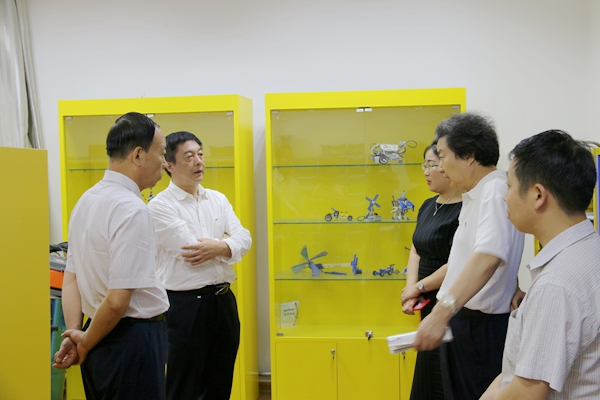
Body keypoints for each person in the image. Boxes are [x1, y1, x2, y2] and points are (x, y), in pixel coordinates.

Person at [52, 112, 170, 400]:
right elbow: (117, 301)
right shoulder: (132, 209)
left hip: (95, 334)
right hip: (131, 340)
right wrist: (82, 341)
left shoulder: (86, 200)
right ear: (138, 155)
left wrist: (76, 334)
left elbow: (71, 278)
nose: (165, 163)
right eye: (162, 153)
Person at [413, 112, 525, 400]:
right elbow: (477, 256)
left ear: (470, 155)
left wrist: (441, 313)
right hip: (465, 323)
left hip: (478, 329)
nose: (440, 167)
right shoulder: (477, 194)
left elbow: (488, 257)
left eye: (442, 156)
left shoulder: (494, 191)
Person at [481, 130, 600, 400]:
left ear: (537, 195)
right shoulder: (589, 252)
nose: (505, 197)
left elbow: (527, 392)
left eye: (510, 186)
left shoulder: (557, 285)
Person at [147, 131, 252, 400]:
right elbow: (190, 250)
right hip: (185, 307)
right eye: (189, 156)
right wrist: (227, 244)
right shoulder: (159, 206)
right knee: (184, 385)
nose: (199, 162)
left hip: (223, 301)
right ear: (169, 165)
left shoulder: (217, 199)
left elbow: (245, 238)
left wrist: (219, 247)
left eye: (201, 154)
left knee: (220, 383)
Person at [401, 144, 462, 400]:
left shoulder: (466, 208)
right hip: (425, 302)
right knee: (427, 376)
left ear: (448, 166)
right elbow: (416, 249)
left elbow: (459, 262)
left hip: (451, 301)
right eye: (425, 165)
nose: (426, 171)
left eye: (432, 164)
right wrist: (411, 290)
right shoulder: (427, 205)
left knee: (447, 377)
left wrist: (419, 287)